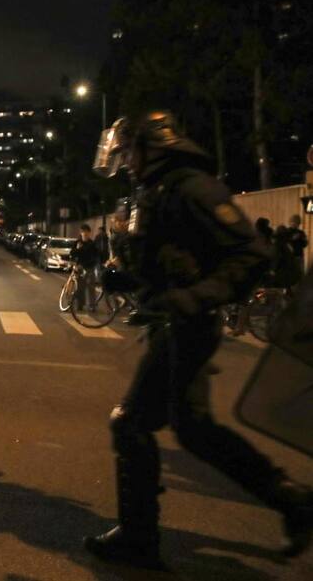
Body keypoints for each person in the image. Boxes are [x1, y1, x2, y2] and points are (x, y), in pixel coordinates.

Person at [84, 111, 312, 568]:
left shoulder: (192, 187)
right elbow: (167, 260)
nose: (126, 161)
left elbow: (251, 254)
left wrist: (195, 297)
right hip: (174, 322)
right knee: (194, 430)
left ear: (155, 146)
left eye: (130, 151)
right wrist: (125, 279)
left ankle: (139, 538)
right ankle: (291, 500)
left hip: (189, 324)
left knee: (131, 423)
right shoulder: (156, 191)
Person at [70, 224, 101, 311]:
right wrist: (78, 249)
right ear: (81, 233)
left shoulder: (92, 244)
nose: (85, 233)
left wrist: (93, 264)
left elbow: (96, 255)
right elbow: (72, 253)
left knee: (91, 287)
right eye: (83, 231)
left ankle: (92, 305)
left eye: (86, 231)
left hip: (89, 267)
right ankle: (80, 304)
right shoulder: (77, 243)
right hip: (79, 267)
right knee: (80, 287)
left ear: (89, 232)